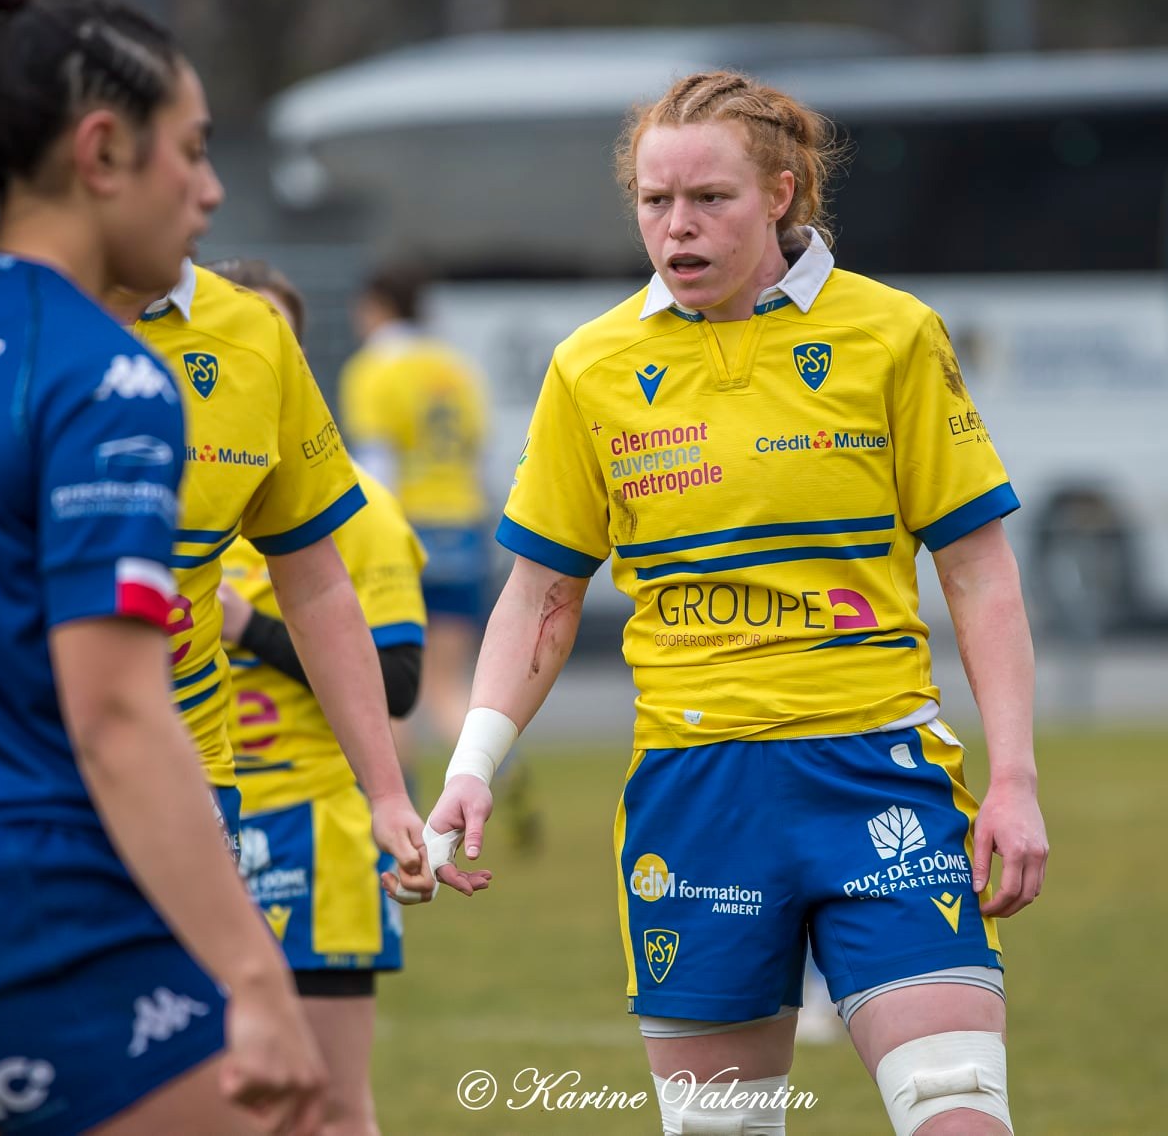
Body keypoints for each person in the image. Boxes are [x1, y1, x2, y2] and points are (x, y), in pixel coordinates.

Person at [426, 71, 1048, 1135]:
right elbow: (539, 595)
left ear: (781, 193)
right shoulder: (591, 368)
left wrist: (1016, 779)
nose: (677, 226)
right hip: (697, 795)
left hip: (876, 776)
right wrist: (472, 765)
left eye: (708, 198)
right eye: (654, 202)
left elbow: (980, 570)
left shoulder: (892, 334)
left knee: (957, 1115)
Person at [0, 0, 332, 1135]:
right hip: (22, 913)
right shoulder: (107, 377)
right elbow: (117, 718)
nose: (211, 188)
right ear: (102, 153)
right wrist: (254, 977)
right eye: (190, 152)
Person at [208, 256, 469, 1136]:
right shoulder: (177, 502)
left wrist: (250, 631)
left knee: (325, 1106)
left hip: (315, 835)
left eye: (274, 334)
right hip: (197, 826)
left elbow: (398, 682)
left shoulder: (363, 513)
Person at [114, 255, 429, 887]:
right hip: (26, 762)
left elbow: (327, 599)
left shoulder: (254, 341)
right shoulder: (6, 318)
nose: (207, 189)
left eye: (203, 154)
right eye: (185, 156)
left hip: (213, 781)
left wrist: (389, 794)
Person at [339, 268, 498, 791]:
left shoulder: (372, 371)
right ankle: (496, 768)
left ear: (377, 306)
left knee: (391, 688)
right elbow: (480, 454)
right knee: (446, 685)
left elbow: (377, 465)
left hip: (403, 534)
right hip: (462, 529)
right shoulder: (457, 370)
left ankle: (398, 800)